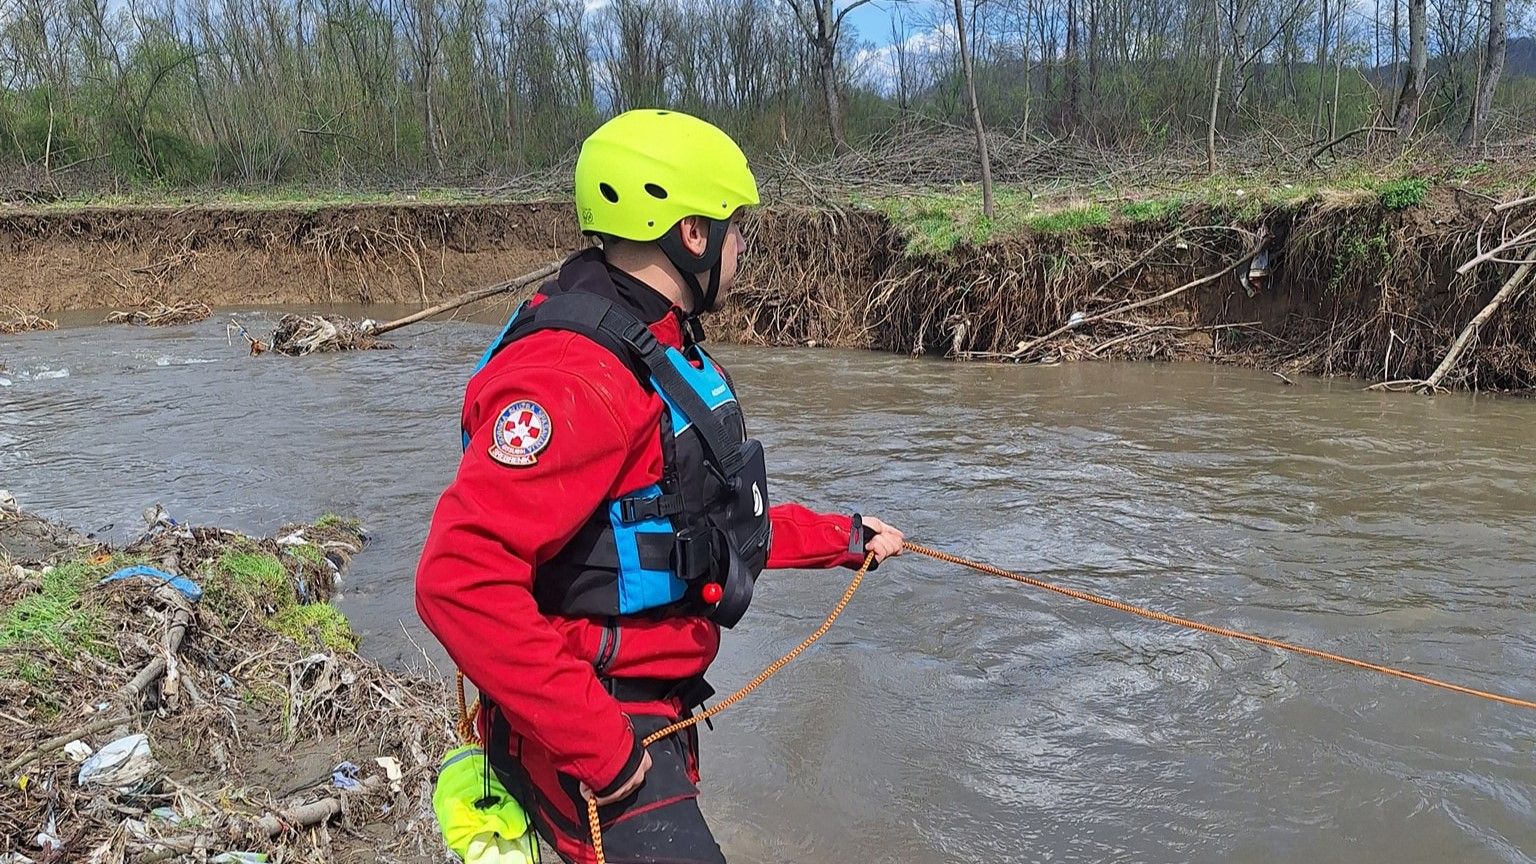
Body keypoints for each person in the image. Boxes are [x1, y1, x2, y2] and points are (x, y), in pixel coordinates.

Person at [415, 108, 904, 864]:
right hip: (595, 730)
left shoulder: (652, 346)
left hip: (643, 710)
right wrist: (602, 750)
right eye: (737, 226)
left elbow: (694, 523)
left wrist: (844, 539)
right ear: (691, 235)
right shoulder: (575, 377)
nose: (744, 246)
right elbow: (457, 582)